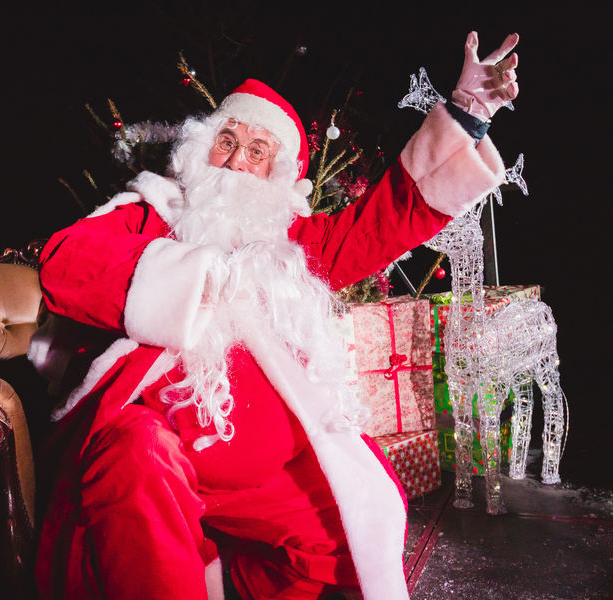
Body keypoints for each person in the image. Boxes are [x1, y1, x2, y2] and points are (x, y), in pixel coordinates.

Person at [31, 31, 520, 600]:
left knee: (356, 525)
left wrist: (468, 114)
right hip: (157, 449)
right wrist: (201, 274)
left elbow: (388, 217)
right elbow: (65, 264)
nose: (237, 160)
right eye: (227, 141)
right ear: (201, 148)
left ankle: (218, 575)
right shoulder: (149, 213)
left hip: (253, 472)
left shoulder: (292, 243)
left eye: (258, 150)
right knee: (135, 454)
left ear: (277, 173)